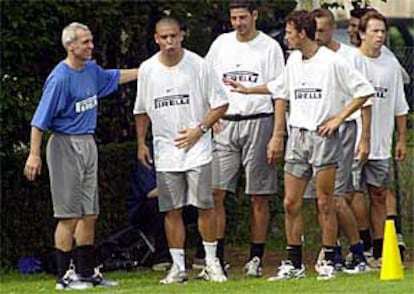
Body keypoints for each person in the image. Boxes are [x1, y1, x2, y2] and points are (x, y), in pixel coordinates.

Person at [225, 10, 375, 280]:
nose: (287, 38)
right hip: (297, 137)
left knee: (325, 202)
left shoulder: (332, 62)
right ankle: (294, 262)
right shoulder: (293, 60)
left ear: (302, 33)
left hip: (323, 138)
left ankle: (329, 259)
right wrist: (248, 90)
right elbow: (279, 88)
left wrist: (338, 118)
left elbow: (364, 91)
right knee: (290, 202)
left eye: (290, 32)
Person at [23, 22, 138, 290]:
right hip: (64, 144)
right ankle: (64, 277)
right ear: (70, 46)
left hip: (87, 141)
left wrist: (148, 71)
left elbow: (114, 76)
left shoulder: (90, 71)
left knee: (89, 213)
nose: (91, 46)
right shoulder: (60, 78)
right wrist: (34, 155)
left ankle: (86, 272)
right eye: (85, 42)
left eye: (91, 40)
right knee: (68, 215)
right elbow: (39, 122)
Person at [134, 17, 229, 284]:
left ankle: (211, 263)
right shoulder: (147, 69)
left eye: (173, 36)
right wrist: (142, 142)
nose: (169, 42)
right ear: (156, 38)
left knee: (204, 205)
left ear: (181, 36)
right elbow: (141, 110)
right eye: (164, 37)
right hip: (165, 152)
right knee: (172, 209)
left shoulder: (199, 65)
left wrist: (199, 129)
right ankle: (178, 267)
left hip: (198, 148)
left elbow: (221, 103)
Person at [205, 0, 285, 277]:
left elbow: (279, 92)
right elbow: (206, 82)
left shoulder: (269, 48)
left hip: (258, 122)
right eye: (234, 18)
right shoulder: (221, 45)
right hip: (225, 124)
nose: (238, 23)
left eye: (242, 17)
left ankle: (255, 258)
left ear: (254, 15)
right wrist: (209, 117)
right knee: (216, 192)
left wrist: (277, 134)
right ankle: (216, 259)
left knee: (258, 196)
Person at [308, 8, 372, 274]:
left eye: (322, 30)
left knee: (336, 196)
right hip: (317, 132)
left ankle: (355, 252)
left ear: (333, 29)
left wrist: (365, 137)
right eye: (314, 31)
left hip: (343, 129)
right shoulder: (306, 58)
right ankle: (336, 249)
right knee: (324, 198)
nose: (317, 36)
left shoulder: (347, 57)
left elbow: (365, 98)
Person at [347, 7, 409, 261]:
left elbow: (399, 104)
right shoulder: (351, 61)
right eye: (374, 31)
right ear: (362, 34)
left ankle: (381, 249)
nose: (380, 36)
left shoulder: (391, 63)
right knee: (351, 194)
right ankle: (360, 245)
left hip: (381, 143)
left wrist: (402, 138)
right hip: (352, 142)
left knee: (379, 194)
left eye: (383, 31)